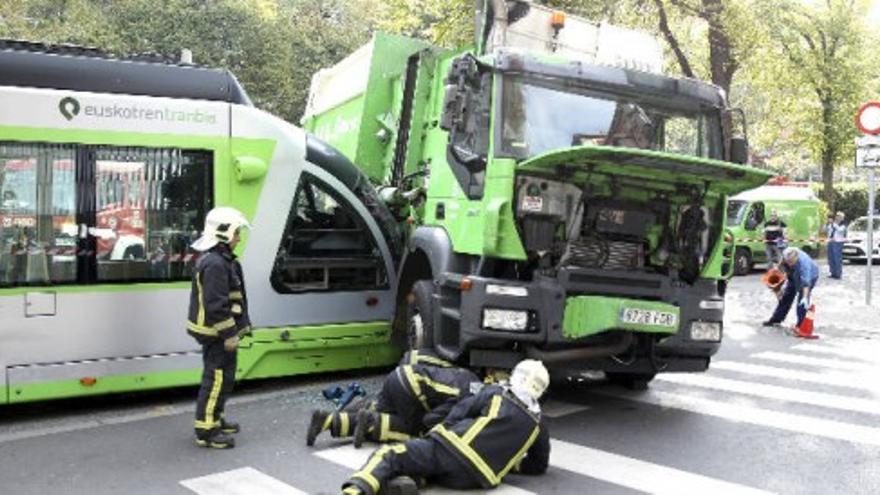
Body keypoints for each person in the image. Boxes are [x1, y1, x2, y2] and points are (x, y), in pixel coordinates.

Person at [340, 359, 551, 495]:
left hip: (451, 450)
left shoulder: (495, 393)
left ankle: (355, 490)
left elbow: (460, 411)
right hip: (476, 479)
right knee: (430, 468)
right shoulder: (539, 423)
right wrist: (507, 463)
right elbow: (539, 464)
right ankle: (406, 482)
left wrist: (436, 436)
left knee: (390, 454)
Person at [306, 350, 480, 448]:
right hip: (412, 387)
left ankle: (327, 420)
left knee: (376, 412)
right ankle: (372, 423)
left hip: (398, 376)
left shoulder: (466, 375)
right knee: (416, 432)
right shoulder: (467, 398)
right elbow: (430, 420)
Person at [187, 207, 252, 449]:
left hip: (221, 334)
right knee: (215, 379)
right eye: (237, 233)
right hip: (217, 335)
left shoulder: (220, 260)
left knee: (224, 378)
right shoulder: (215, 263)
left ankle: (215, 417)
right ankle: (206, 430)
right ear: (224, 234)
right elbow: (216, 305)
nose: (239, 238)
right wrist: (229, 334)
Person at [763, 247, 819, 328]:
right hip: (793, 274)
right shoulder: (787, 253)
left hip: (811, 276)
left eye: (792, 262)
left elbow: (806, 284)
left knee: (801, 301)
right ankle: (776, 320)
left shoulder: (804, 265)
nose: (789, 264)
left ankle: (801, 324)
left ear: (796, 258)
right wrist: (777, 269)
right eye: (788, 262)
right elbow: (782, 260)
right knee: (787, 296)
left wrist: (805, 297)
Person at [826, 211, 847, 279]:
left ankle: (838, 274)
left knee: (837, 258)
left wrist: (834, 224)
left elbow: (839, 230)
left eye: (840, 216)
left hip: (838, 243)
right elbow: (827, 231)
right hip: (831, 242)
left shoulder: (843, 225)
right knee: (831, 258)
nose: (838, 217)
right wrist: (828, 224)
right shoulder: (831, 224)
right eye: (837, 216)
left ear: (842, 218)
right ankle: (832, 273)